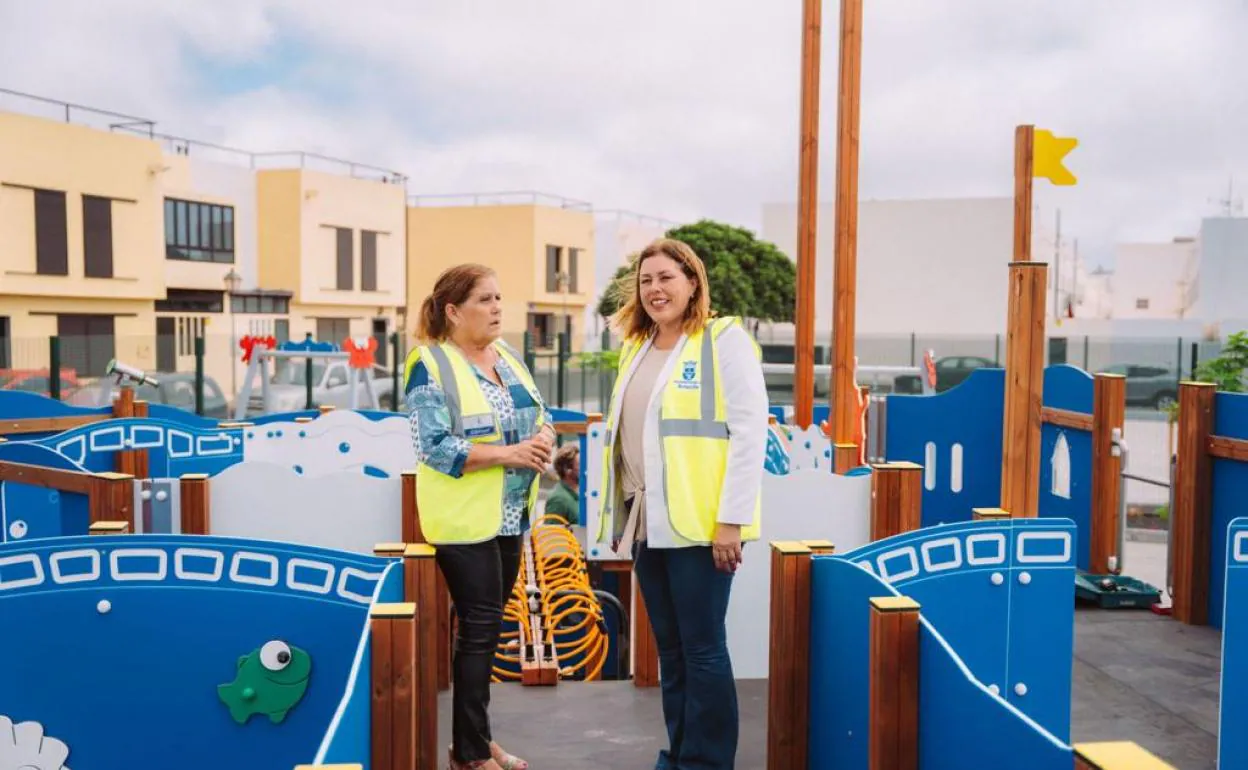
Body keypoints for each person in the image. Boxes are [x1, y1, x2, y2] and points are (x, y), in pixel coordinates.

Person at [596, 238, 769, 770]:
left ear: (693, 282)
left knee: (703, 649)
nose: (655, 289)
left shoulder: (723, 340)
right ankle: (681, 754)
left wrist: (730, 523)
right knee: (671, 653)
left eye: (667, 277)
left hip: (702, 528)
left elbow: (749, 434)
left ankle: (707, 761)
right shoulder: (638, 347)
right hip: (650, 525)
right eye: (647, 280)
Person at [404, 263, 556, 770]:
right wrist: (510, 455)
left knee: (485, 632)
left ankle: (476, 739)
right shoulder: (429, 363)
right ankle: (469, 754)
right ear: (453, 310)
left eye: (499, 298)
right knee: (481, 627)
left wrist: (543, 438)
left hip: (511, 515)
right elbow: (434, 448)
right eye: (485, 300)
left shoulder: (508, 356)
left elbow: (539, 415)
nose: (497, 309)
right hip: (463, 520)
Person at [544, 443, 581, 526]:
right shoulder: (558, 499)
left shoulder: (576, 494)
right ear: (567, 469)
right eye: (580, 465)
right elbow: (550, 535)